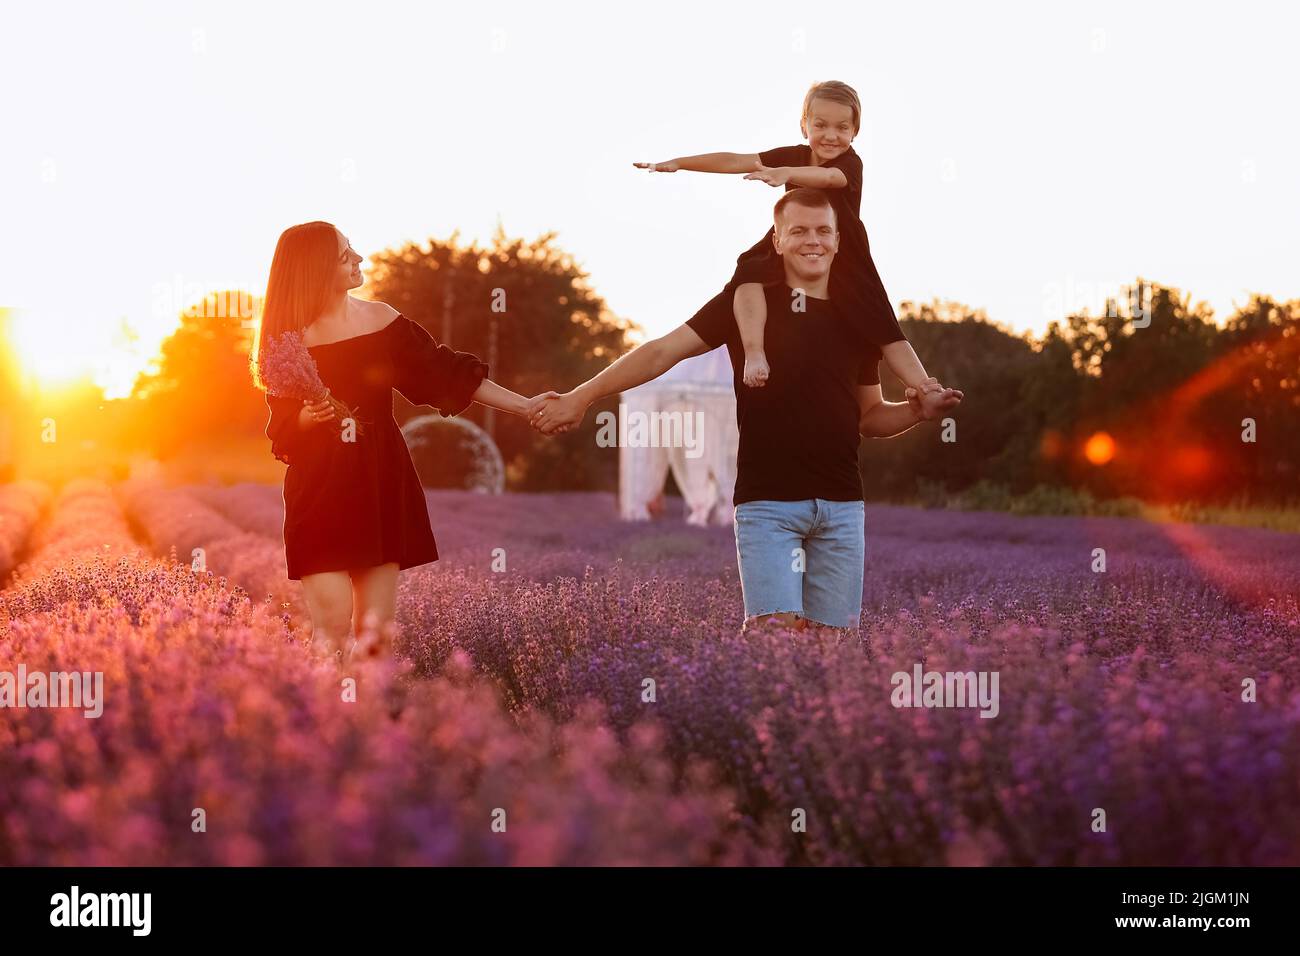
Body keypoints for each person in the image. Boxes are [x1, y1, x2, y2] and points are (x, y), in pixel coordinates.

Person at [529, 189, 963, 634]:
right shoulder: (745, 303)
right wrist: (582, 395)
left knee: (833, 654)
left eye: (822, 231)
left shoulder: (859, 317)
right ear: (776, 240)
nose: (812, 241)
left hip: (842, 506)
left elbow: (869, 418)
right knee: (772, 642)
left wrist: (916, 412)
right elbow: (661, 352)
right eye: (798, 231)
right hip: (768, 504)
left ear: (837, 240)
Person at [250, 220, 555, 664]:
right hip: (318, 491)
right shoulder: (286, 342)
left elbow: (448, 374)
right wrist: (303, 416)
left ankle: (366, 726)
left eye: (352, 249)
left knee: (377, 637)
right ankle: (322, 723)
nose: (359, 259)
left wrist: (527, 407)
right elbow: (280, 433)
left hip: (379, 482)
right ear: (315, 269)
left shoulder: (382, 320)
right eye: (345, 255)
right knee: (331, 629)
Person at [634, 80, 927, 394]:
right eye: (821, 125)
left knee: (880, 320)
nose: (831, 135)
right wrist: (680, 163)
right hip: (794, 243)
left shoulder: (850, 163)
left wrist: (787, 173)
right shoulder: (794, 155)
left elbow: (830, 177)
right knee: (748, 271)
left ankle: (924, 386)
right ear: (804, 126)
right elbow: (736, 160)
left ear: (855, 131)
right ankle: (755, 352)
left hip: (844, 249)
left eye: (842, 127)